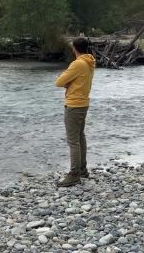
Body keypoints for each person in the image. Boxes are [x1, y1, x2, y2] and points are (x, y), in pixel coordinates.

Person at [55, 37, 96, 187]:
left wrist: (67, 81)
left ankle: (74, 175)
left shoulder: (78, 63)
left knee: (73, 140)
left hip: (74, 104)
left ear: (74, 48)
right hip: (84, 103)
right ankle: (82, 169)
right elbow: (80, 81)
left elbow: (59, 82)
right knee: (80, 136)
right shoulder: (90, 61)